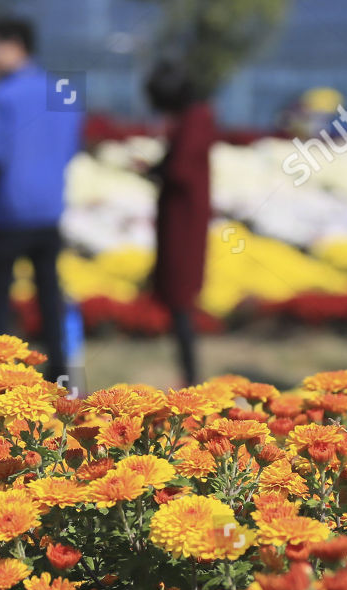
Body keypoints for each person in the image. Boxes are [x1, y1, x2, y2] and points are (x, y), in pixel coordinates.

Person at [0, 16, 83, 382]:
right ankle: (60, 372)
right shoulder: (61, 90)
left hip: (10, 209)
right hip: (50, 209)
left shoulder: (3, 95)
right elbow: (71, 147)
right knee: (49, 293)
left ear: (13, 46)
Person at [146, 60, 215, 387]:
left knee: (182, 300)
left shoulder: (196, 119)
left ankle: (190, 376)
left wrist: (159, 170)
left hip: (184, 224)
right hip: (180, 219)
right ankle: (187, 374)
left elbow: (181, 171)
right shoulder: (195, 117)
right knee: (178, 301)